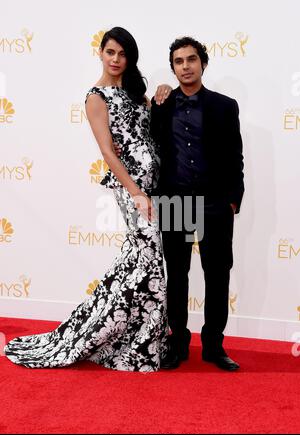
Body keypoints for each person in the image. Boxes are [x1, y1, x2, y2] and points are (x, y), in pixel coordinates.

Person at [4, 26, 170, 372]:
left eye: (123, 54)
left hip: (157, 182)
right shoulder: (96, 97)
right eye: (111, 52)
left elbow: (150, 131)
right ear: (100, 52)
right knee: (150, 259)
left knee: (140, 261)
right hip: (133, 187)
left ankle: (129, 335)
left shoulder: (136, 92)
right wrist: (136, 193)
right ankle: (134, 344)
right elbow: (108, 152)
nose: (116, 59)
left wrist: (160, 95)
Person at [151, 37, 244, 371]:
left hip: (216, 203)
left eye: (191, 59)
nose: (185, 66)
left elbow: (236, 157)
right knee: (177, 276)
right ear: (173, 66)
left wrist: (233, 199)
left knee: (217, 277)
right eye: (178, 61)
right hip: (174, 201)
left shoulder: (224, 105)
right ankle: (178, 345)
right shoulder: (160, 105)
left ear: (203, 63)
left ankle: (214, 347)